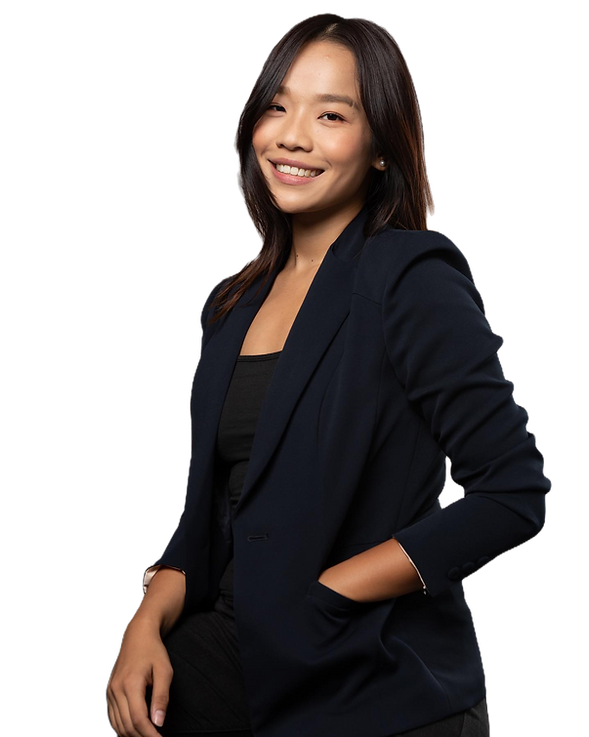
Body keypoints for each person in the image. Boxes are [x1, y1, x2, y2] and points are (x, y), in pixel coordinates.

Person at [103, 10, 553, 737]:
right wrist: (142, 625)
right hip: (234, 652)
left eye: (331, 114)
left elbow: (512, 490)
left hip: (369, 674)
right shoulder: (229, 303)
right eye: (277, 106)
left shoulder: (411, 276)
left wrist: (335, 590)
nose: (292, 136)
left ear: (379, 147)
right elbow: (206, 518)